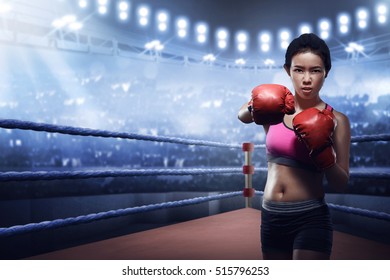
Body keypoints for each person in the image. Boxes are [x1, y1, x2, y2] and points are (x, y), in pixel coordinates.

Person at [238, 33, 351, 260]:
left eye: (315, 70)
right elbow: (242, 116)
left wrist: (323, 155)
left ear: (326, 72)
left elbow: (341, 182)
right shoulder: (275, 109)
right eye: (299, 70)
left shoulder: (337, 119)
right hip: (270, 217)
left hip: (310, 217)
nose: (306, 79)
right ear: (288, 70)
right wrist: (258, 105)